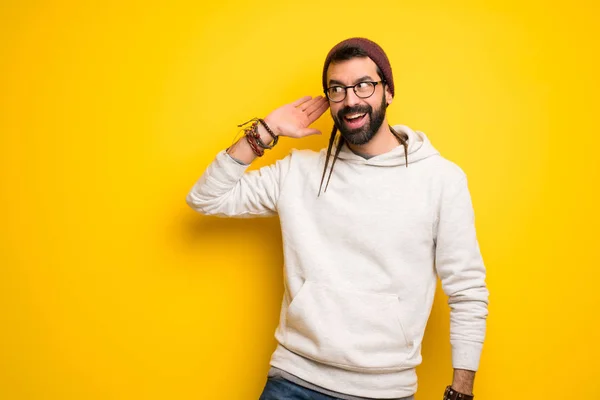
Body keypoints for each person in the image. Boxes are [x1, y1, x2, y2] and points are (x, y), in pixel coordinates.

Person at [186, 37, 489, 400]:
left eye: (363, 85)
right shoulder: (298, 172)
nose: (350, 100)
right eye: (337, 89)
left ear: (387, 92)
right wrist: (266, 131)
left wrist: (461, 392)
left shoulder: (441, 179)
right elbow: (206, 198)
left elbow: (467, 291)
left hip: (385, 391)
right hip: (292, 381)